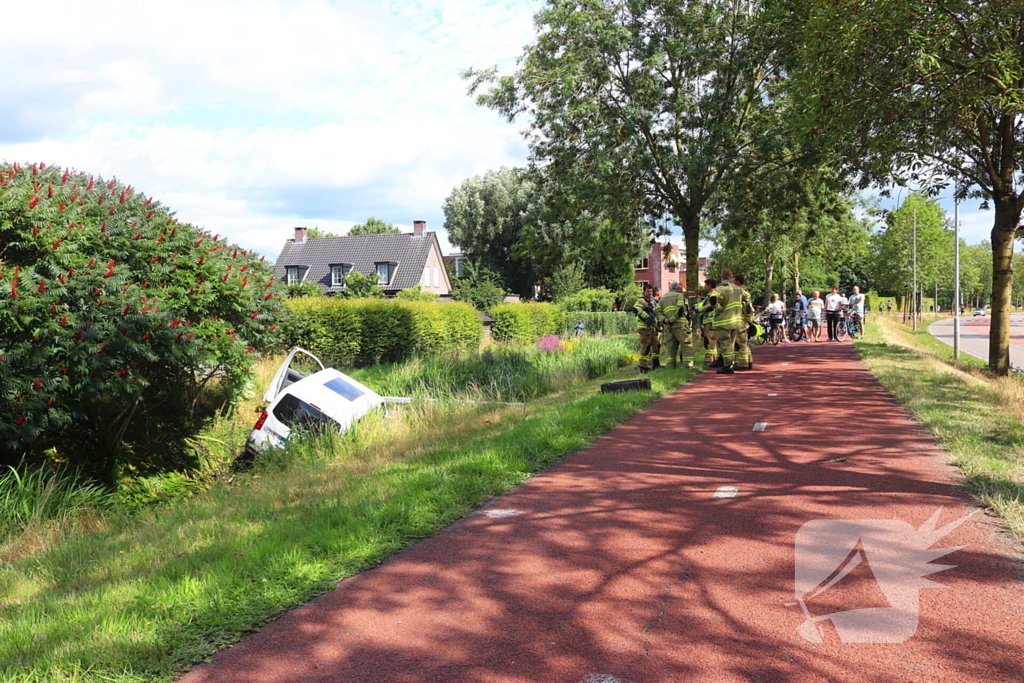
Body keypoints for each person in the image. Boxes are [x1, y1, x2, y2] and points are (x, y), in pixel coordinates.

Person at [710, 270, 749, 374]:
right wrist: (742, 306)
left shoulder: (721, 288)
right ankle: (736, 363)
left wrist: (718, 307)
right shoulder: (738, 288)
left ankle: (727, 366)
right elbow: (747, 297)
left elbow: (712, 298)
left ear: (721, 277)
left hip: (724, 322)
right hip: (737, 322)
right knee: (732, 344)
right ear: (731, 276)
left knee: (725, 344)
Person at [657, 281, 693, 369]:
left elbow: (657, 312)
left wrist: (665, 321)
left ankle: (670, 367)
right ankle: (688, 366)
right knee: (687, 344)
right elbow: (680, 309)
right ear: (677, 288)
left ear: (670, 288)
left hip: (667, 327)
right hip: (680, 325)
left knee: (670, 347)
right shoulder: (679, 295)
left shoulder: (663, 298)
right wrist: (672, 320)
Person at [633, 285, 661, 373]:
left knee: (656, 346)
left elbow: (655, 312)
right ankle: (642, 366)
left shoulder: (651, 302)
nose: (650, 293)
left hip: (652, 328)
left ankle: (656, 364)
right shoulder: (641, 301)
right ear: (644, 292)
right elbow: (635, 308)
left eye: (651, 291)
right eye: (648, 291)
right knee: (646, 347)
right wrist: (647, 317)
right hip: (644, 329)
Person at [733, 273, 755, 368]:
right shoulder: (745, 291)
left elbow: (746, 309)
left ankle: (742, 364)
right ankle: (749, 361)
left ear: (737, 282)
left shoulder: (740, 293)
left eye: (734, 281)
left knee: (740, 344)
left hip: (741, 322)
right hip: (745, 322)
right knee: (745, 343)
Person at [697, 278, 719, 366]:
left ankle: (709, 359)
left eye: (706, 285)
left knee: (708, 341)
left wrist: (699, 309)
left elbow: (709, 306)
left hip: (710, 321)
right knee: (713, 342)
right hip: (714, 321)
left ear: (710, 285)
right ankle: (714, 358)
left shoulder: (712, 295)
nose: (705, 287)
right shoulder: (717, 294)